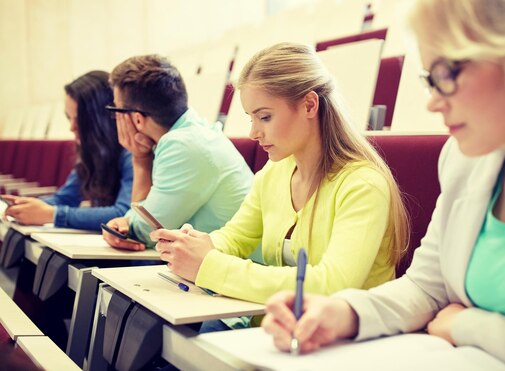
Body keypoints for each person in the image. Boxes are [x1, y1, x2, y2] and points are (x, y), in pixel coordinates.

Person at [261, 1, 505, 369]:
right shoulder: (464, 159)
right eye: (428, 80)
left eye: (445, 73)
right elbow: (426, 288)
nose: (433, 102)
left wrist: (469, 325)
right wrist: (342, 313)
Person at [150, 43, 410, 325]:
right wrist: (195, 244)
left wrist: (209, 265)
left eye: (265, 117)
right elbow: (236, 237)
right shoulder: (274, 173)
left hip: (348, 340)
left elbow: (332, 286)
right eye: (251, 118)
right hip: (281, 328)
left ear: (309, 105)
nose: (253, 132)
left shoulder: (363, 185)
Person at [102, 54, 252, 250]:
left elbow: (144, 233)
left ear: (137, 119)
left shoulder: (181, 146)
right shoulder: (192, 131)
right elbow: (145, 219)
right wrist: (126, 221)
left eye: (117, 111)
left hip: (235, 269)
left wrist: (140, 159)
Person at [3, 71, 132, 230]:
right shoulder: (92, 151)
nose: (71, 127)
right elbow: (65, 198)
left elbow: (124, 214)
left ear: (101, 119)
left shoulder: (132, 153)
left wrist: (52, 214)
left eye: (79, 120)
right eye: (68, 118)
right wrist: (23, 206)